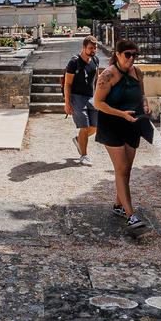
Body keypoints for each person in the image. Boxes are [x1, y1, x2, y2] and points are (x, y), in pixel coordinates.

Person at [92, 39, 150, 232]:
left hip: (132, 124)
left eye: (135, 55)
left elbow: (141, 94)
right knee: (122, 167)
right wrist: (121, 114)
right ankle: (131, 216)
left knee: (126, 170)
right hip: (112, 125)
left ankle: (118, 205)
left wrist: (145, 104)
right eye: (128, 55)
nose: (132, 59)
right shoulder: (107, 75)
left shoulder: (137, 72)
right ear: (117, 54)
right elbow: (98, 103)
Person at [63, 36, 100, 165]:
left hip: (91, 97)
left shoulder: (95, 60)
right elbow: (67, 84)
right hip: (77, 97)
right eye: (90, 48)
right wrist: (67, 103)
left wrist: (99, 97)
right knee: (84, 127)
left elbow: (97, 78)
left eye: (95, 48)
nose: (93, 50)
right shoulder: (74, 62)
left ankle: (79, 140)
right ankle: (84, 155)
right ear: (83, 48)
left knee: (95, 127)